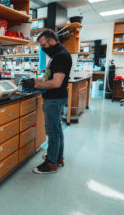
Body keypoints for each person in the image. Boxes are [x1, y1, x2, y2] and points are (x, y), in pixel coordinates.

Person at [32, 29, 72, 174]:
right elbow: (49, 77)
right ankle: (58, 157)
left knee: (52, 132)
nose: (43, 48)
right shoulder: (56, 55)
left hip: (54, 99)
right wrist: (36, 80)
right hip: (56, 98)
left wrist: (36, 85)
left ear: (51, 41)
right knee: (57, 129)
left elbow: (56, 83)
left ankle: (51, 164)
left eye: (43, 45)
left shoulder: (61, 56)